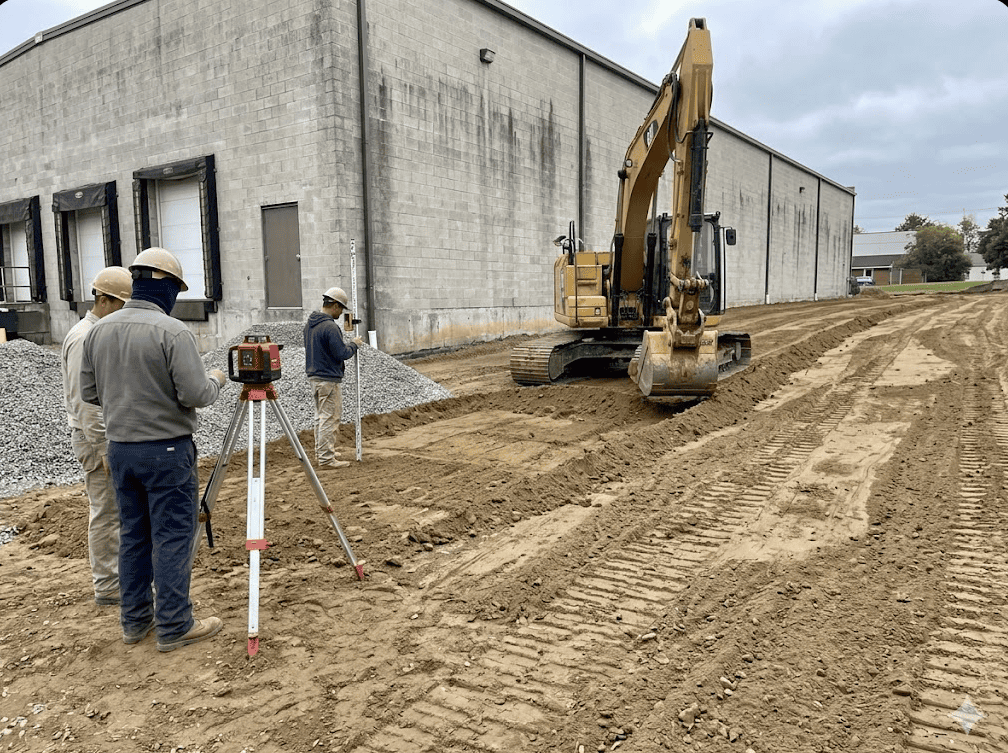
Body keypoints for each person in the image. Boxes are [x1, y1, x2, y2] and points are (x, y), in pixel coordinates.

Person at [80, 247, 228, 652]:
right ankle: (175, 624)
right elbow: (196, 393)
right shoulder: (172, 331)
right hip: (166, 451)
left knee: (133, 536)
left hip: (121, 452)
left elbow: (89, 393)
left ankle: (134, 622)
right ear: (166, 288)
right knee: (172, 536)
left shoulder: (99, 330)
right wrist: (216, 378)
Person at [61, 266, 133, 607]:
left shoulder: (99, 332)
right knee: (106, 511)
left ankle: (117, 578)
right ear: (103, 300)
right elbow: (86, 402)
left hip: (105, 437)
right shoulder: (83, 337)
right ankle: (107, 585)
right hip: (94, 440)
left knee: (117, 510)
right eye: (121, 304)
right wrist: (104, 448)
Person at [304, 286, 364, 469]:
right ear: (335, 306)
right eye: (341, 309)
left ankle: (322, 451)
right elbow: (341, 353)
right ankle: (326, 458)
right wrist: (354, 345)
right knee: (329, 418)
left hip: (315, 377)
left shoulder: (310, 324)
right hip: (328, 379)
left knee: (321, 417)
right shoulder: (329, 326)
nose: (340, 314)